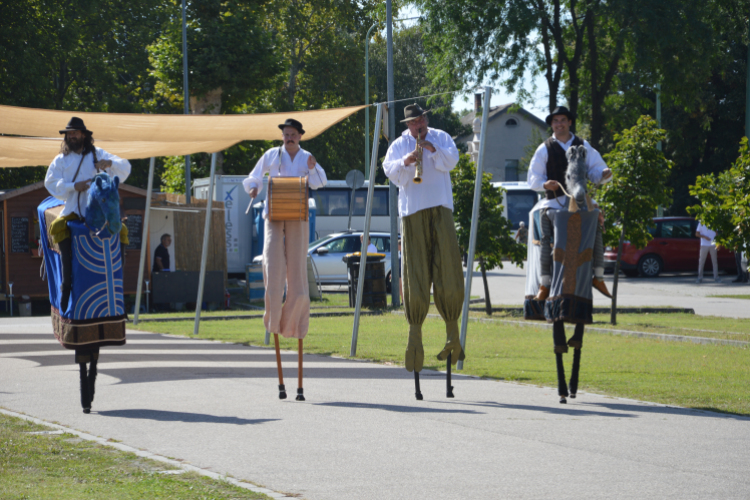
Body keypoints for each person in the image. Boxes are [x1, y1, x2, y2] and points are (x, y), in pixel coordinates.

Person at [43, 117, 131, 413]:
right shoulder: (60, 160)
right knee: (69, 270)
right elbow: (50, 184)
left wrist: (108, 167)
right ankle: (67, 304)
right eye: (70, 132)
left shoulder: (98, 155)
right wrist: (74, 186)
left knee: (120, 242)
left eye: (77, 132)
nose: (74, 136)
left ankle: (117, 303)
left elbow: (126, 168)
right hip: (72, 218)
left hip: (99, 220)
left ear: (85, 135)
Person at [242, 118, 327, 400]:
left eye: (292, 134)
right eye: (285, 134)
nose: (288, 138)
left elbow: (320, 183)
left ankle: (295, 322)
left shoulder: (307, 157)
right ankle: (274, 317)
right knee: (272, 267)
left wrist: (313, 167)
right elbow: (253, 176)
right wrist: (253, 188)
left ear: (300, 136)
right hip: (274, 212)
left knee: (298, 277)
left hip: (298, 213)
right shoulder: (271, 155)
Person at [383, 103, 464, 390]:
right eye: (413, 123)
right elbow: (389, 170)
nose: (418, 125)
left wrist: (431, 150)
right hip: (412, 212)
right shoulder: (398, 144)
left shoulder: (441, 136)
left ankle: (452, 334)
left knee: (448, 272)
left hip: (441, 208)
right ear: (407, 125)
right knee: (416, 275)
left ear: (426, 119)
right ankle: (414, 338)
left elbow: (451, 161)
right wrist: (407, 161)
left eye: (421, 120)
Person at [527, 106, 613, 300]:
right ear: (552, 124)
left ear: (569, 122)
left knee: (596, 221)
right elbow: (532, 179)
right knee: (546, 231)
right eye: (555, 121)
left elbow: (595, 171)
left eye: (562, 120)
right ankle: (545, 282)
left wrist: (604, 174)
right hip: (555, 202)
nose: (559, 124)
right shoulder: (544, 148)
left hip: (581, 201)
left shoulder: (584, 145)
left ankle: (598, 276)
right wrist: (545, 184)